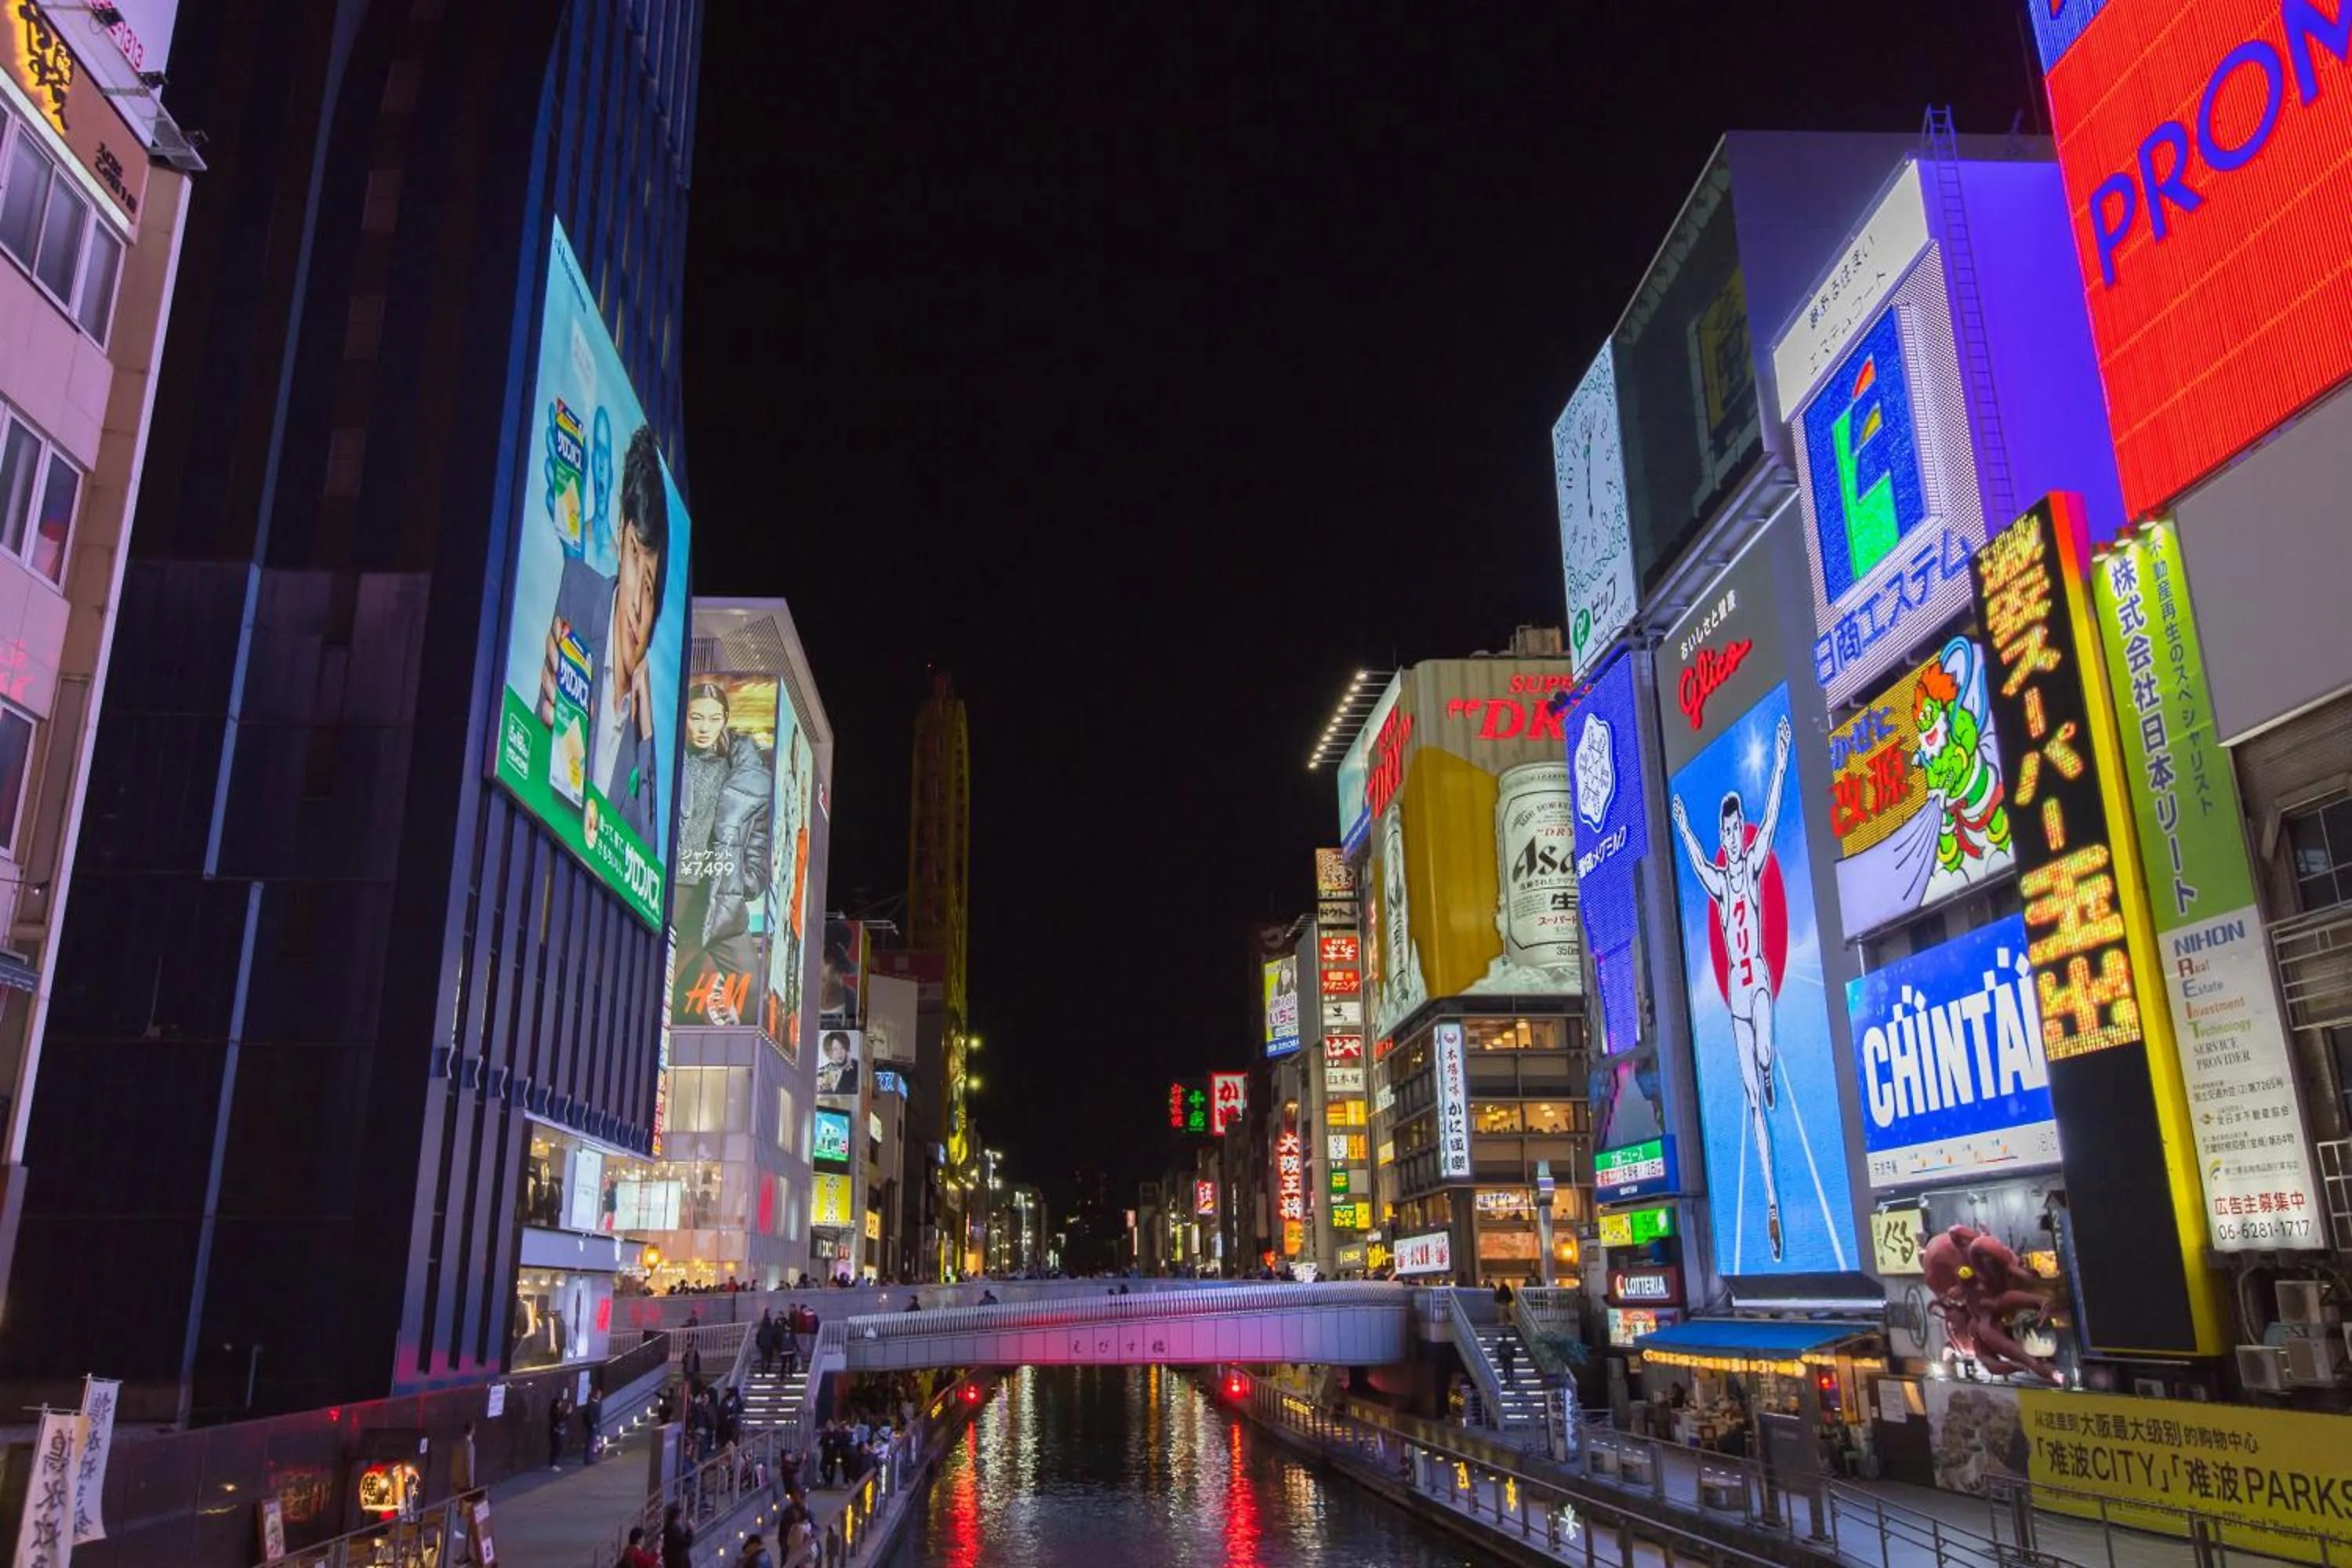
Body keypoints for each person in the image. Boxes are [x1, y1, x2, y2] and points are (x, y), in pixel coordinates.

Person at [1671, 711, 1795, 1261]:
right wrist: (1681, 826)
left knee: (1765, 1057)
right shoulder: (1721, 884)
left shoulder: (1754, 863)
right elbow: (1696, 862)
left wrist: (1783, 755)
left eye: (1733, 827)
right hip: (1737, 1006)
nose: (1732, 837)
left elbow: (1771, 813)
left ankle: (1769, 1069)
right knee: (1751, 1103)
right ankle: (1771, 1202)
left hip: (1759, 984)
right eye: (1726, 831)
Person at [535, 423, 671, 843]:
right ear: (619, 532)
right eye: (633, 555)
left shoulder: (644, 723)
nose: (636, 605)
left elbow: (646, 855)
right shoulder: (576, 592)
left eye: (650, 587)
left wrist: (647, 736)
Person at [816, 1030, 859, 1097]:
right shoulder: (823, 1073)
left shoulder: (857, 1067)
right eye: (835, 1049)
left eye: (842, 1048)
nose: (839, 1053)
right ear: (829, 1051)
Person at [660, 1501, 695, 1568]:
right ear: (677, 1517)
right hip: (679, 1562)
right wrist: (690, 1530)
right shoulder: (675, 1529)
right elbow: (686, 1543)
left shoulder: (667, 1528)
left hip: (669, 1561)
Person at [451, 1418, 477, 1497]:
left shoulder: (457, 1445)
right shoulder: (470, 1446)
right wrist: (471, 1485)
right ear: (472, 1430)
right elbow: (469, 1467)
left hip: (455, 1482)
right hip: (465, 1484)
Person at [547, 1388, 573, 1471]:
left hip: (559, 1431)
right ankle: (553, 1463)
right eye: (559, 1403)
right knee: (556, 1447)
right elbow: (559, 1419)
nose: (561, 1404)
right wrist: (566, 1412)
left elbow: (564, 1418)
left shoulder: (558, 1411)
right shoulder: (553, 1411)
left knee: (558, 1447)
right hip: (555, 1431)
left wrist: (568, 1413)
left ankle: (554, 1462)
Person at [582, 1381, 604, 1465]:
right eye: (599, 1394)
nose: (600, 1396)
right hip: (593, 1426)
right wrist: (592, 1424)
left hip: (595, 1425)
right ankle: (588, 1459)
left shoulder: (597, 1404)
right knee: (590, 1442)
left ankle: (590, 1458)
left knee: (593, 1442)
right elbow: (589, 1415)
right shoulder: (592, 1404)